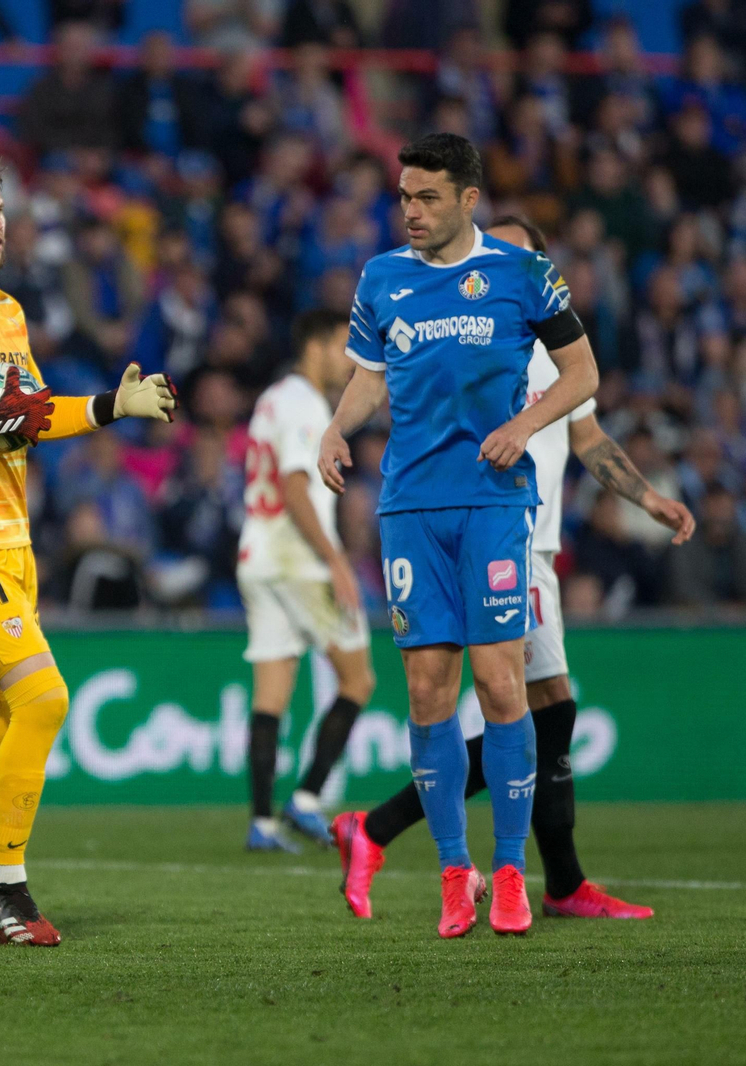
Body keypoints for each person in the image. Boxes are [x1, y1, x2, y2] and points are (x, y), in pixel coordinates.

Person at [331, 215, 695, 923]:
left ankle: (399, 836)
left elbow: (587, 439)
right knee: (535, 703)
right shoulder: (472, 349)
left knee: (546, 706)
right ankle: (537, 875)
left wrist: (647, 497)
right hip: (499, 537)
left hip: (537, 548)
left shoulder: (551, 352)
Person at [0, 155, 176, 946]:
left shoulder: (10, 313)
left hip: (12, 541)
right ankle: (9, 887)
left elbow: (34, 413)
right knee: (44, 699)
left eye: (1, 208)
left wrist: (114, 404)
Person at [316, 133, 600, 938]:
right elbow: (371, 376)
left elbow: (583, 374)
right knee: (428, 695)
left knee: (504, 688)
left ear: (468, 200)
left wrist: (524, 423)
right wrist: (338, 430)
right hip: (410, 511)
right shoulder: (382, 278)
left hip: (494, 505)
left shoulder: (524, 275)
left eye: (427, 197)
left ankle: (511, 873)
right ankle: (453, 871)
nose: (410, 211)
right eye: (404, 196)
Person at [237, 307, 376, 853]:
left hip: (257, 557)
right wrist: (337, 561)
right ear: (315, 346)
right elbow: (296, 488)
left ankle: (262, 823)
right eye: (344, 346)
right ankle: (308, 798)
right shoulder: (303, 403)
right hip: (297, 561)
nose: (349, 361)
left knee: (271, 694)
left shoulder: (271, 398)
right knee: (358, 680)